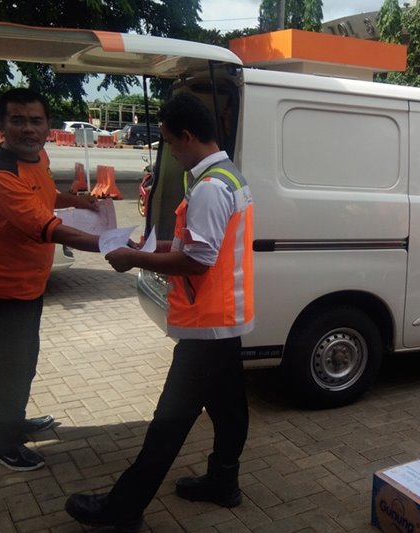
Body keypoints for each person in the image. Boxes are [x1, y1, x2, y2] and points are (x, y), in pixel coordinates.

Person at [65, 92, 255, 531]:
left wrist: (134, 259)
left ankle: (123, 509)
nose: (170, 150)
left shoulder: (210, 188)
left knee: (169, 421)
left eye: (169, 142)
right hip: (224, 319)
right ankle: (223, 482)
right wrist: (152, 246)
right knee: (229, 409)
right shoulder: (229, 176)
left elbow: (199, 261)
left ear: (187, 136)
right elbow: (201, 245)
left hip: (206, 324)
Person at [0, 88, 101, 471]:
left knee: (23, 363)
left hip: (28, 287)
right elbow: (47, 227)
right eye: (18, 121)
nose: (28, 129)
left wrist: (78, 201)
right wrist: (111, 244)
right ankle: (2, 445)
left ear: (47, 126)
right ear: (1, 127)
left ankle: (14, 421)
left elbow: (43, 196)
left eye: (36, 121)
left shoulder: (38, 157)